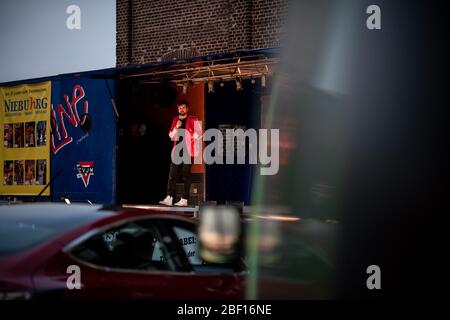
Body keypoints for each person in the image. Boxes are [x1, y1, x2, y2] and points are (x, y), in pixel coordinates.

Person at [159, 100, 201, 207]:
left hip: (188, 150)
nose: (181, 110)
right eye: (179, 108)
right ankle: (169, 197)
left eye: (183, 108)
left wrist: (191, 133)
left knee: (186, 175)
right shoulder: (175, 120)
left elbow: (200, 135)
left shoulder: (193, 119)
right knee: (172, 174)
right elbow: (171, 136)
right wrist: (176, 127)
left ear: (187, 109)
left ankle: (184, 199)